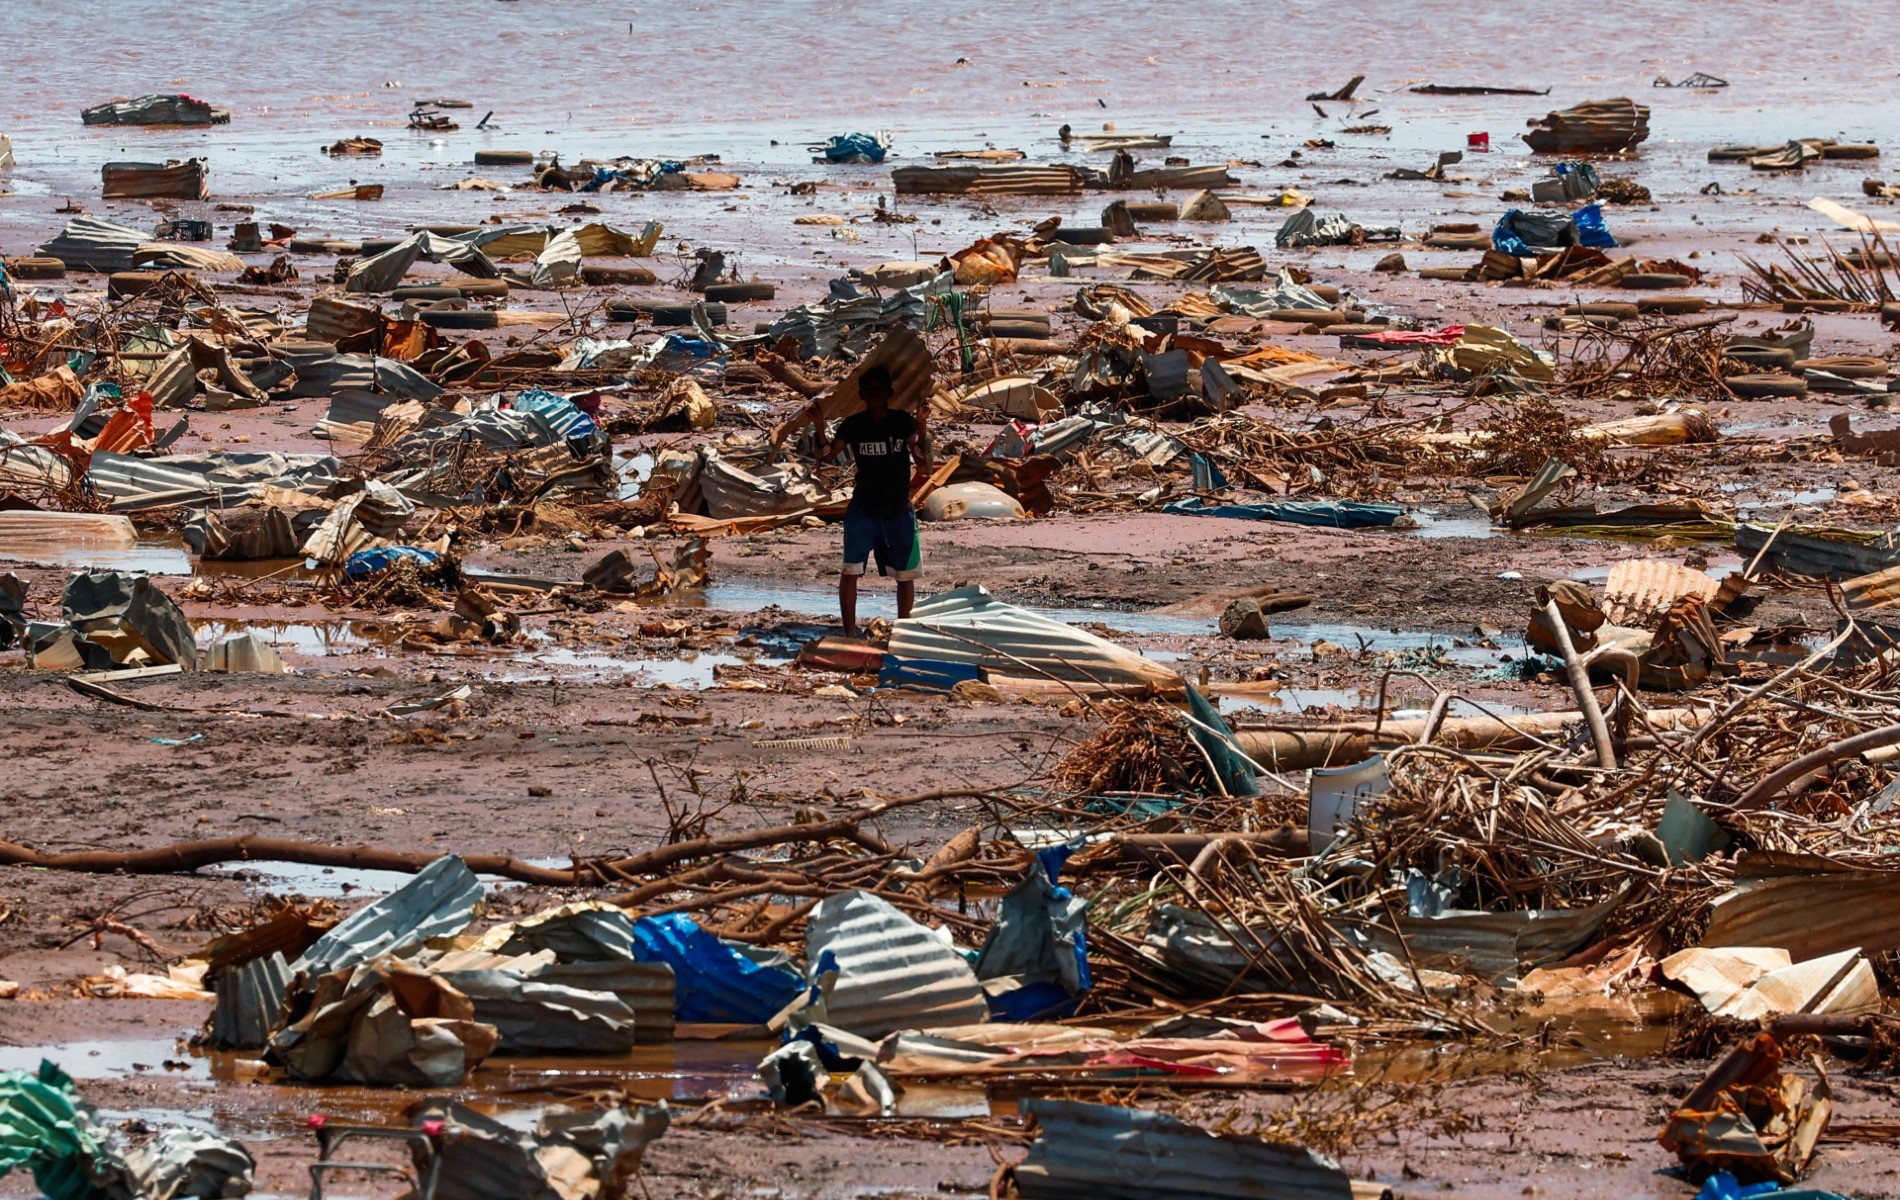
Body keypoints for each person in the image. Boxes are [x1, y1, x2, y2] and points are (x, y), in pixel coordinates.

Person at [815, 365, 928, 636]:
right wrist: (818, 423)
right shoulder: (854, 425)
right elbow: (829, 457)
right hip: (863, 509)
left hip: (898, 509)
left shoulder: (903, 422)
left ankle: (904, 632)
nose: (874, 394)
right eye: (869, 390)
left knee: (905, 575)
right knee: (850, 571)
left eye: (879, 390)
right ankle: (849, 632)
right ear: (861, 394)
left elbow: (923, 459)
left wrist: (922, 423)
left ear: (889, 393)